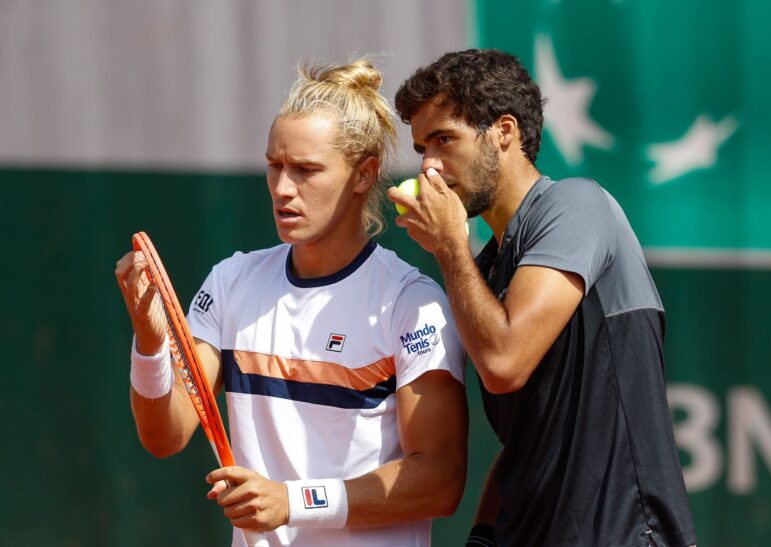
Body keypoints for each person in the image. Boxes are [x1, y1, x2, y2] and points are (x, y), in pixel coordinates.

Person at [115, 58, 468, 547]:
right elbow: (164, 436)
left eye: (306, 170)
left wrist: (292, 501)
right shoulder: (231, 282)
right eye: (274, 166)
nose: (282, 188)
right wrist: (151, 342)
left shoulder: (412, 303)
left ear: (364, 174)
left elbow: (439, 481)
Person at [389, 49, 697, 547]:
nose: (429, 167)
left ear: (504, 131)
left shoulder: (576, 204)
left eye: (444, 139)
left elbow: (504, 362)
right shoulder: (484, 269)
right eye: (422, 148)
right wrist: (483, 534)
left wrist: (449, 246)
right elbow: (526, 441)